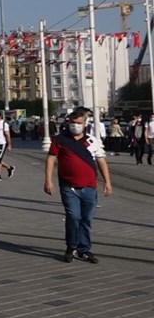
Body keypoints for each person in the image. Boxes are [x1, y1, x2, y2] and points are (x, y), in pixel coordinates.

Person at [44, 110, 113, 263]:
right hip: (69, 186)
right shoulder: (60, 140)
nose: (75, 126)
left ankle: (84, 249)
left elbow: (101, 161)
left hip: (89, 186)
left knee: (86, 219)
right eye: (73, 123)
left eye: (79, 123)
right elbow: (51, 159)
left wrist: (107, 182)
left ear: (85, 124)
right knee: (73, 216)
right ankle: (71, 247)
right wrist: (48, 180)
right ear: (68, 122)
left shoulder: (91, 141)